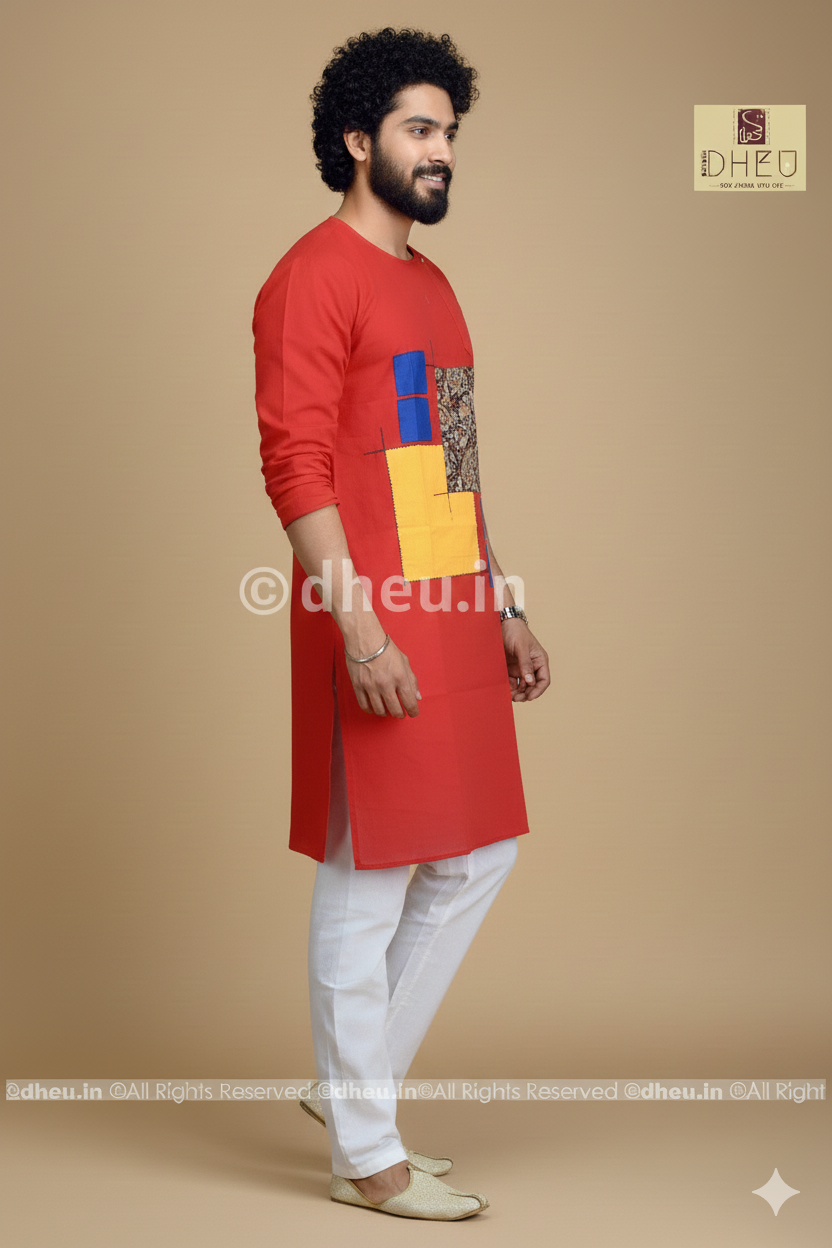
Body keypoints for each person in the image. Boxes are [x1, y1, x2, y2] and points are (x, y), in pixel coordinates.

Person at [252, 27, 550, 1221]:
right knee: (368, 868)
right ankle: (366, 1158)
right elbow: (293, 467)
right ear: (356, 140)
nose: (441, 152)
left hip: (449, 603)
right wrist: (360, 631)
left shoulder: (434, 287)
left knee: (477, 853)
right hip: (370, 611)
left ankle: (350, 1086)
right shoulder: (310, 276)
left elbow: (453, 469)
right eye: (420, 129)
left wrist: (502, 603)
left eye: (449, 132)